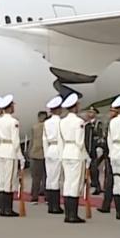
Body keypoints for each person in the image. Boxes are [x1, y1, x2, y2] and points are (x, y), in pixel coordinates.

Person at [58, 93, 88, 223]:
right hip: (76, 153)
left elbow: (60, 140)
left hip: (66, 152)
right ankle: (72, 215)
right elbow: (80, 142)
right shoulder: (79, 122)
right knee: (75, 184)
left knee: (67, 183)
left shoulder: (62, 121)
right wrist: (86, 156)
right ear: (75, 107)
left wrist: (61, 155)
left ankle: (68, 213)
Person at [0, 95, 22, 217]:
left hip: (0, 150)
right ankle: (7, 209)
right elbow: (15, 141)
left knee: (2, 180)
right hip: (10, 151)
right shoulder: (13, 122)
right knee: (9, 180)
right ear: (9, 107)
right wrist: (20, 156)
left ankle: (2, 208)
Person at [43, 96, 65, 214]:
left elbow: (44, 139)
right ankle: (55, 206)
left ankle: (50, 204)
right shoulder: (60, 122)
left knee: (50, 177)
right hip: (57, 149)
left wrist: (46, 152)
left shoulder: (46, 122)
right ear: (58, 109)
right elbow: (61, 139)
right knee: (56, 178)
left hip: (50, 149)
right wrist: (62, 154)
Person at [29, 111, 48, 205]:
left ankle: (34, 196)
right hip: (46, 153)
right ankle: (46, 196)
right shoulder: (48, 127)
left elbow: (31, 140)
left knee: (36, 177)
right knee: (46, 177)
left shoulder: (34, 127)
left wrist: (29, 151)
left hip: (36, 154)